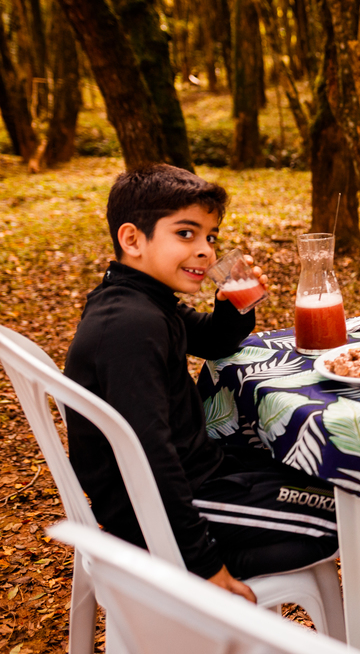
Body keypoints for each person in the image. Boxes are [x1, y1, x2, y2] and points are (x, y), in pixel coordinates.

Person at [64, 165, 338, 603]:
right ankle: (193, 587)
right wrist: (204, 566)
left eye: (210, 237)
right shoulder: (131, 326)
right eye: (187, 234)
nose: (206, 252)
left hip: (200, 472)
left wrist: (231, 304)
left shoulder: (144, 300)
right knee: (340, 517)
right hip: (159, 511)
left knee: (327, 478)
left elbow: (212, 341)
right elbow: (150, 457)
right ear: (132, 239)